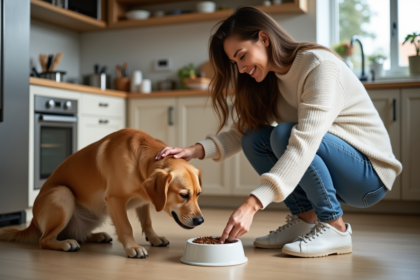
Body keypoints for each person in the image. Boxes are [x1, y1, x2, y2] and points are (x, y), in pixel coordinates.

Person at [155, 6, 402, 258]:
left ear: (263, 39)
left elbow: (304, 143)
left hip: (369, 176)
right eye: (234, 62)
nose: (240, 69)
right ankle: (305, 219)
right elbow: (241, 132)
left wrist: (252, 204)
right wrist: (194, 151)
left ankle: (334, 227)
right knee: (254, 136)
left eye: (242, 56)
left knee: (285, 134)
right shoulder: (268, 80)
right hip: (336, 167)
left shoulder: (319, 66)